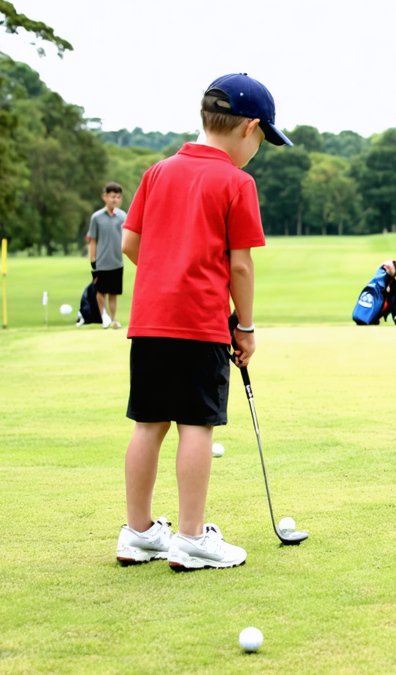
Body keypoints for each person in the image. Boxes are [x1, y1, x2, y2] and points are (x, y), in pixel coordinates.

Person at [115, 73, 293, 570]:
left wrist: (165, 275)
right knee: (197, 423)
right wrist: (247, 327)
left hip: (149, 321)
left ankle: (139, 533)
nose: (258, 149)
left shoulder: (157, 172)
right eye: (262, 140)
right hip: (200, 323)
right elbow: (240, 265)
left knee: (148, 424)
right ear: (249, 128)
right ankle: (191, 538)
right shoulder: (237, 182)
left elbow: (131, 245)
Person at [87, 182, 128, 329]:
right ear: (105, 197)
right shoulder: (96, 217)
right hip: (101, 262)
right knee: (100, 292)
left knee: (113, 293)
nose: (115, 200)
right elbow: (93, 241)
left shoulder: (123, 216)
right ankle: (103, 317)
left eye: (118, 197)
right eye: (112, 197)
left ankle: (112, 319)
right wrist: (93, 262)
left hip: (117, 261)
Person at [352, 259, 396, 325]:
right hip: (369, 319)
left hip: (357, 317)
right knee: (391, 298)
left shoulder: (382, 278)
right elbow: (394, 302)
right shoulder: (391, 284)